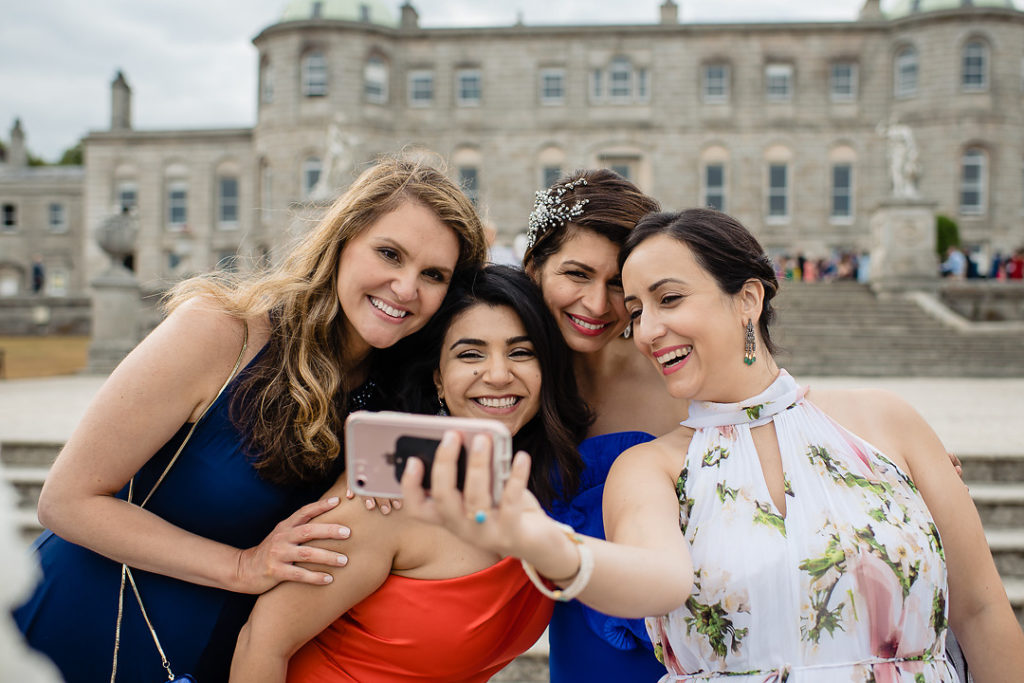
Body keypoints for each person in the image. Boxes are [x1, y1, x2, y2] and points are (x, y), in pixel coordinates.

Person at [404, 207, 1024, 681]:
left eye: (669, 299)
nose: (647, 329)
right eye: (639, 309)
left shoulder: (888, 422)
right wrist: (547, 545)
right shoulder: (647, 466)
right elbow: (659, 582)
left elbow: (981, 612)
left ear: (748, 298)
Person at [13, 157, 489, 682]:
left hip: (223, 658)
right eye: (389, 254)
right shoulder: (222, 333)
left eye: (433, 275)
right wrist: (241, 567)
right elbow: (65, 501)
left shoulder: (403, 399)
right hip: (89, 627)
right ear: (342, 241)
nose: (405, 287)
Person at [229, 265, 592, 682]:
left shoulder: (540, 493)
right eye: (470, 354)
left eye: (521, 352)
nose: (497, 375)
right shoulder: (382, 500)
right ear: (439, 379)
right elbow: (260, 644)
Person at [522, 169, 686, 681]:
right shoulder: (505, 382)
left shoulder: (677, 376)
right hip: (577, 645)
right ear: (534, 269)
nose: (597, 304)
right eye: (576, 274)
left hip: (679, 640)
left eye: (617, 284)